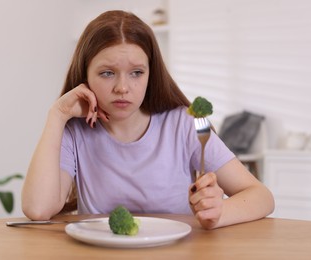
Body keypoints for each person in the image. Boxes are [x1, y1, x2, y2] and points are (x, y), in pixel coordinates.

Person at [21, 10, 274, 230]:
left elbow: (262, 197)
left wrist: (218, 213)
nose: (122, 87)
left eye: (136, 73)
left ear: (150, 74)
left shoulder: (186, 123)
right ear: (85, 75)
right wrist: (57, 115)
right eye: (107, 73)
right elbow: (38, 209)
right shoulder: (74, 131)